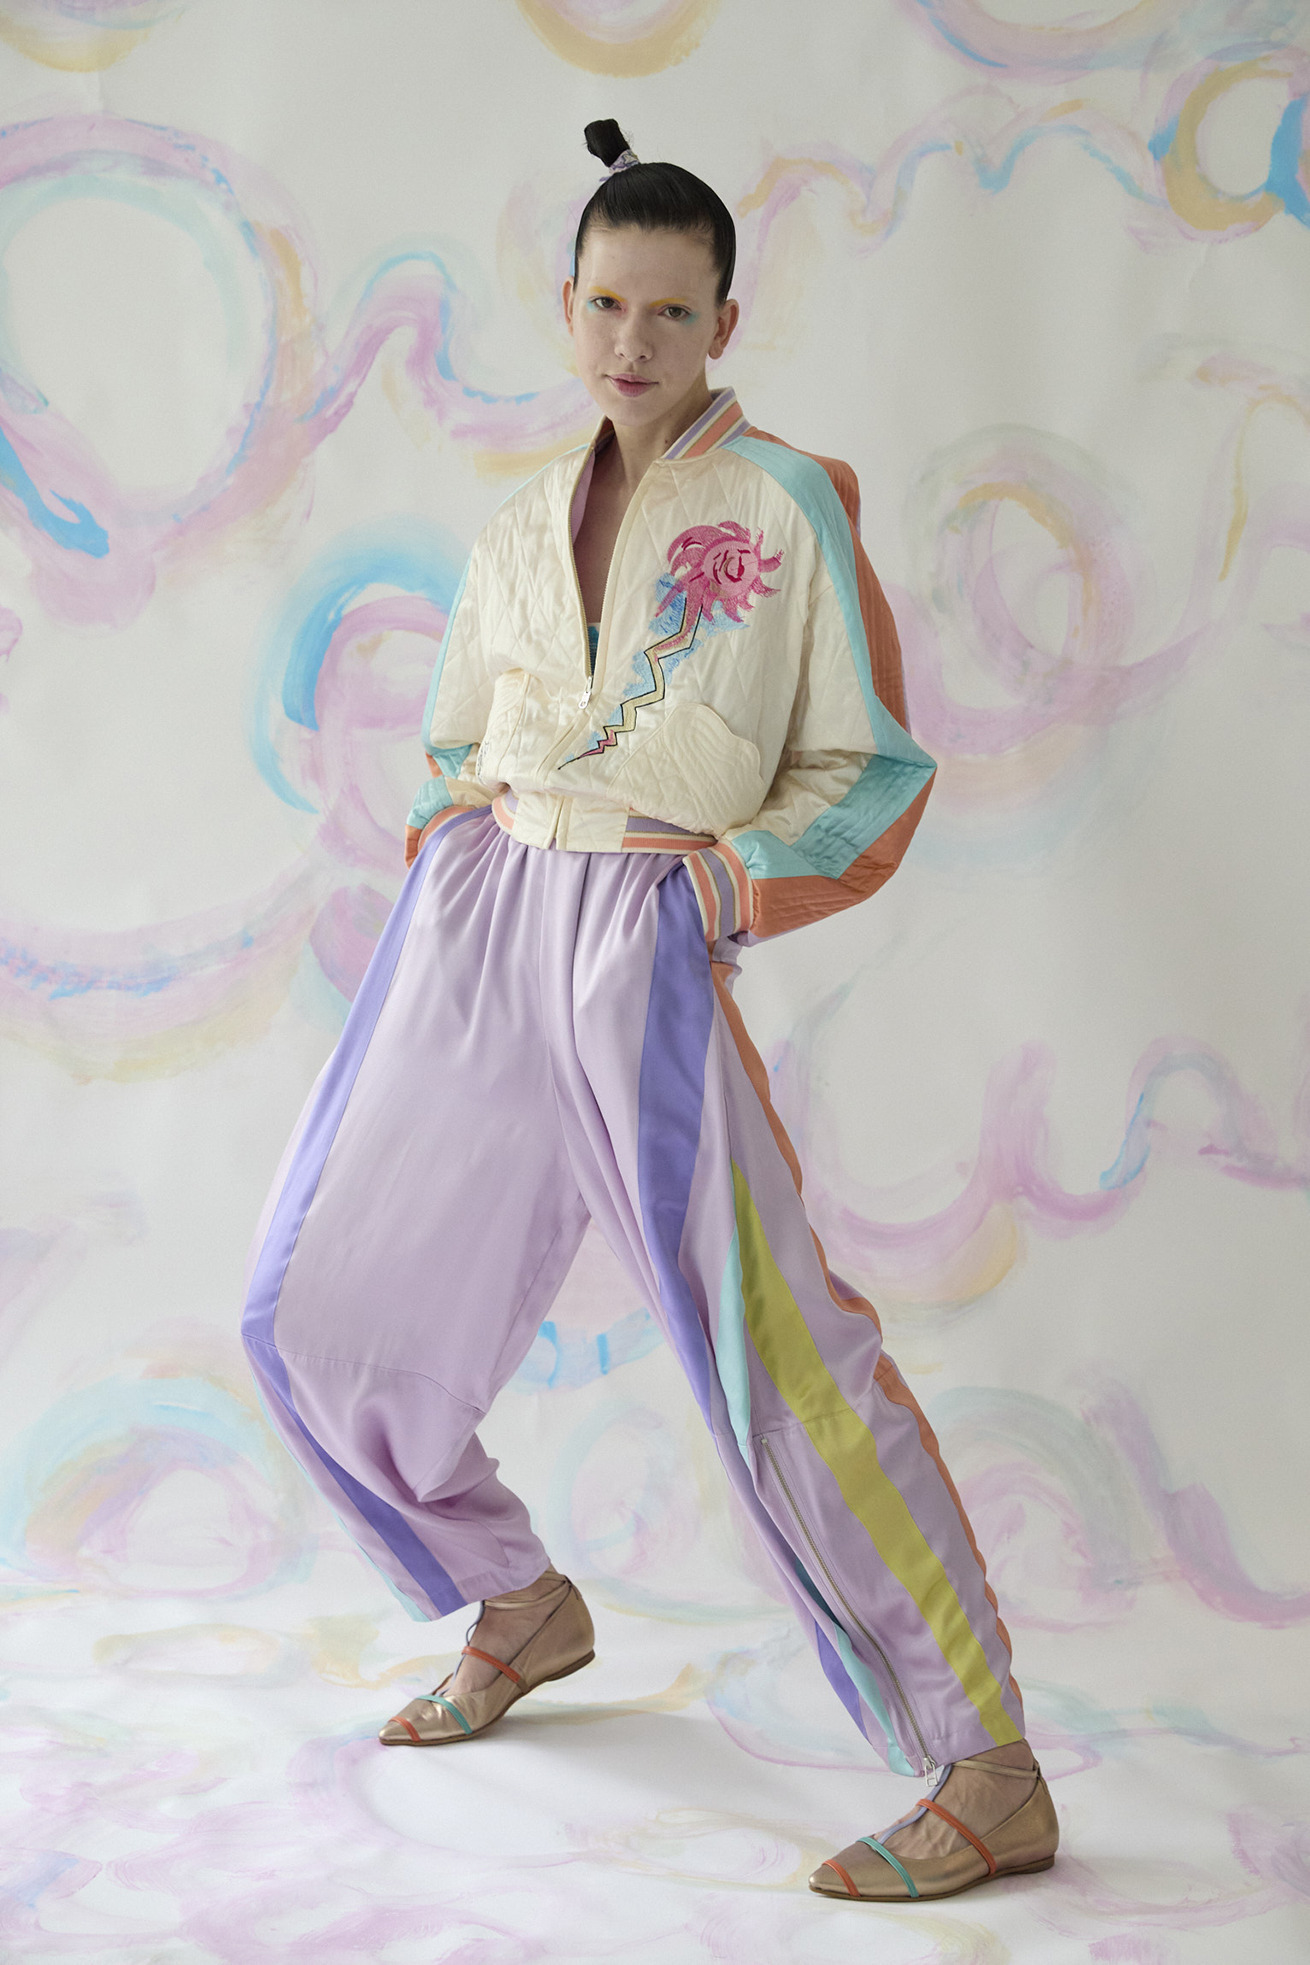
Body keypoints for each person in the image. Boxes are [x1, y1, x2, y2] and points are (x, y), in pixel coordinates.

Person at [240, 118, 1059, 1904]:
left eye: (670, 311)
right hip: (481, 922)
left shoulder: (786, 502)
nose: (633, 340)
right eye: (607, 303)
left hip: (639, 932)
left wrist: (722, 881)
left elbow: (868, 765)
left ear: (722, 323)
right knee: (311, 1303)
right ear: (569, 305)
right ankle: (517, 1602)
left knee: (770, 1353)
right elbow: (459, 733)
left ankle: (987, 1762)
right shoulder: (517, 522)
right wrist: (458, 835)